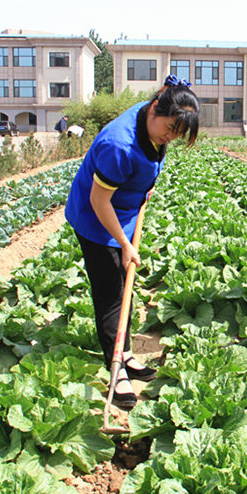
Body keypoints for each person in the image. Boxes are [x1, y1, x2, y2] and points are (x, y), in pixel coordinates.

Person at [65, 74, 199, 408]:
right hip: (97, 219)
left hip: (124, 208)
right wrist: (124, 244)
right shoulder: (119, 144)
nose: (170, 137)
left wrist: (144, 189)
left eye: (177, 135)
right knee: (111, 291)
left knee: (126, 282)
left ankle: (125, 354)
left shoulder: (156, 115)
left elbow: (153, 150)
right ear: (155, 108)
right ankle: (116, 370)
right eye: (169, 129)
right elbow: (99, 201)